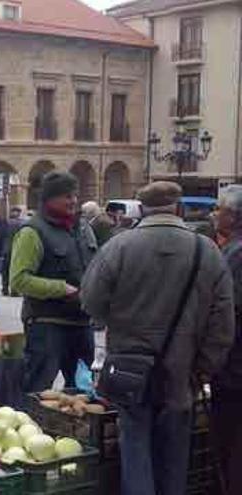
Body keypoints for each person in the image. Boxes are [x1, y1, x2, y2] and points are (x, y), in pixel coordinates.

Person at [80, 181, 234, 495]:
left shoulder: (120, 246)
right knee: (175, 451)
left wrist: (119, 324)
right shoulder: (207, 251)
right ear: (178, 209)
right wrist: (205, 364)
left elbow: (91, 301)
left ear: (142, 209)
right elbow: (222, 321)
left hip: (129, 365)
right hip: (183, 367)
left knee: (135, 444)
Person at [10, 171, 96, 392]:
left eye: (75, 195)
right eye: (67, 196)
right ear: (49, 199)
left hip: (82, 323)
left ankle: (75, 427)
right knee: (38, 388)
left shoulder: (84, 229)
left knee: (82, 390)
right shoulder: (32, 231)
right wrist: (60, 288)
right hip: (46, 324)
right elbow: (19, 280)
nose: (73, 201)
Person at [206, 184, 242, 494]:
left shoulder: (235, 253)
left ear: (231, 216)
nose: (214, 214)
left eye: (218, 209)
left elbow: (224, 312)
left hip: (234, 366)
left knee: (230, 440)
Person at [2, 207, 25, 296]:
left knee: (5, 270)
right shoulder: (22, 223)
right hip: (17, 249)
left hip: (6, 249)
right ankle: (14, 290)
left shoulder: (5, 223)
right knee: (14, 270)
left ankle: (5, 289)